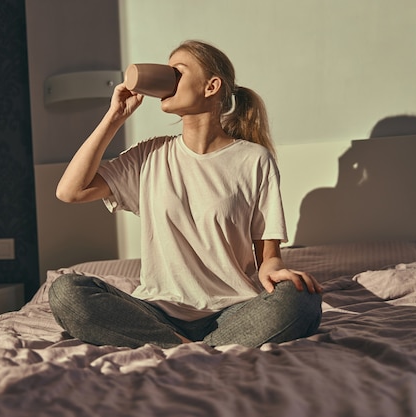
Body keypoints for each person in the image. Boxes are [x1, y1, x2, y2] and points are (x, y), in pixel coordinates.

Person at [49, 40, 323, 349]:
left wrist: (279, 275)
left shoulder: (254, 159)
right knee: (66, 291)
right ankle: (197, 348)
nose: (167, 79)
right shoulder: (149, 155)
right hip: (156, 312)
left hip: (232, 312)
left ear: (211, 86)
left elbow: (268, 257)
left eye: (177, 72)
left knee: (302, 301)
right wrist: (115, 116)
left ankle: (180, 349)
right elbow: (70, 191)